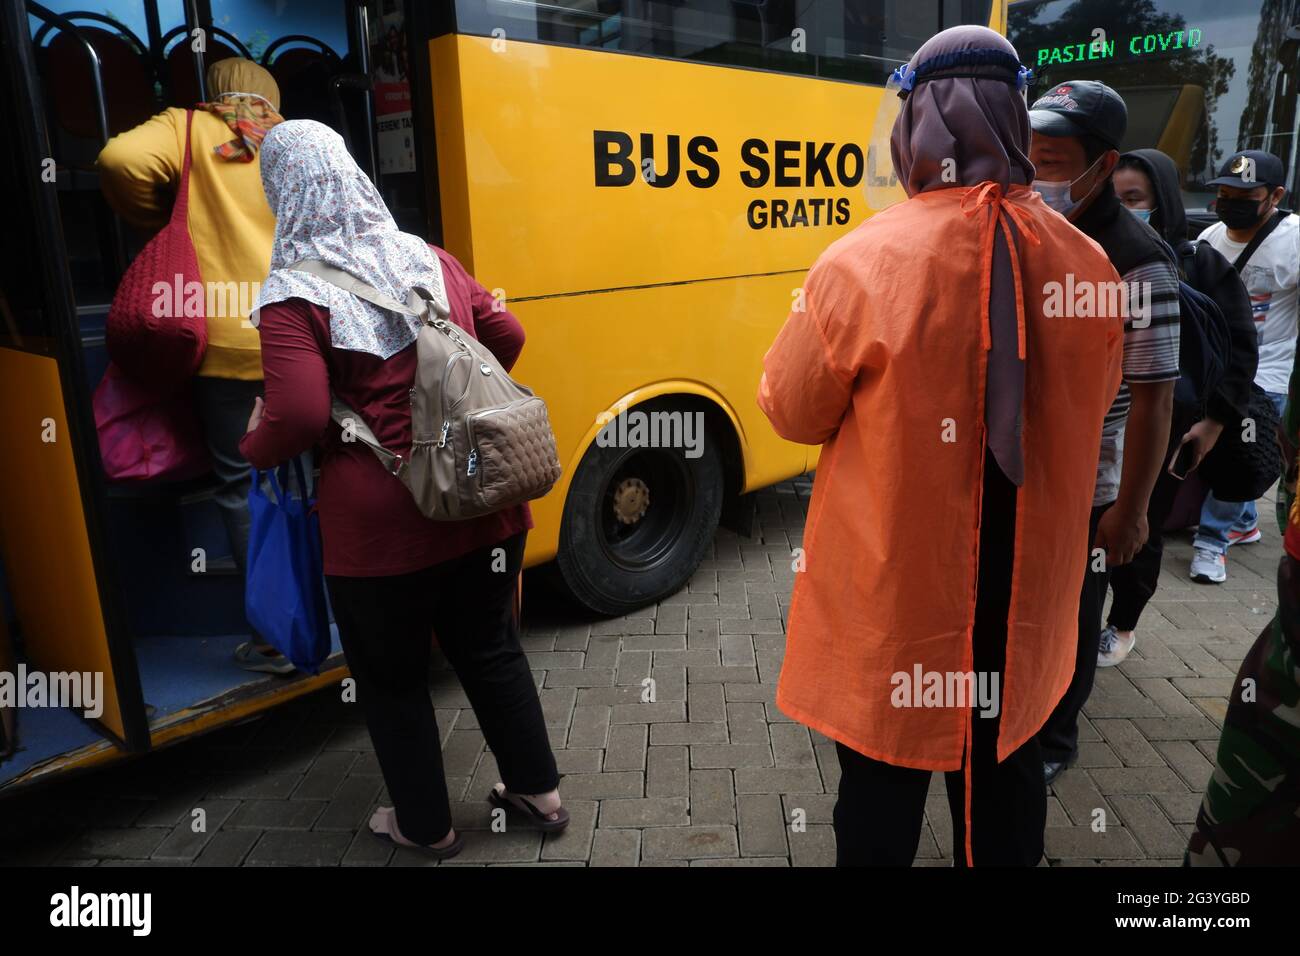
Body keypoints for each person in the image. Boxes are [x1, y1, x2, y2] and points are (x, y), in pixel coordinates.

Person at [757, 26, 1124, 867]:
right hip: (1028, 591)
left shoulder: (860, 262)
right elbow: (1099, 405)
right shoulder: (1089, 263)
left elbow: (788, 408)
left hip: (900, 597)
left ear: (914, 125)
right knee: (1007, 779)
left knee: (880, 791)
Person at [240, 119, 565, 859]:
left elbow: (298, 414)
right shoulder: (426, 256)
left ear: (282, 191)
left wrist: (250, 440)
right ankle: (539, 795)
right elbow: (505, 336)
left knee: (391, 680)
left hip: (382, 532)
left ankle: (425, 827)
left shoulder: (293, 295)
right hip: (483, 500)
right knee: (491, 649)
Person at [98, 58, 293, 674]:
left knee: (244, 489)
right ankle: (332, 609)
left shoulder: (187, 127)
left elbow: (118, 161)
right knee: (308, 479)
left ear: (214, 91)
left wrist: (160, 216)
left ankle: (273, 640)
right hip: (298, 334)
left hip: (226, 344)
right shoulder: (292, 137)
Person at [1027, 81, 1181, 785]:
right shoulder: (1028, 223)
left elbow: (1154, 400)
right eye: (1026, 155)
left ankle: (1055, 742)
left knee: (1073, 612)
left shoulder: (1138, 258)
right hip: (1025, 466)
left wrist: (1132, 510)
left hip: (1093, 479)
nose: (1034, 173)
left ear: (1103, 162)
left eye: (1052, 160)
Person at [1097, 149, 1257, 665]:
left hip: (1168, 425)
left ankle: (1121, 624)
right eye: (1114, 198)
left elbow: (1237, 346)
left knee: (1141, 523)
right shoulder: (1092, 254)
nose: (1123, 209)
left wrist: (1213, 421)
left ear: (1160, 201)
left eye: (1134, 199)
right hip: (1100, 424)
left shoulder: (1195, 262)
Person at [1189, 151, 1299, 584]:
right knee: (1237, 451)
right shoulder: (1212, 238)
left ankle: (1211, 543)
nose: (1229, 202)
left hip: (1269, 372)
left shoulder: (1293, 240)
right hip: (1220, 366)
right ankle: (1245, 520)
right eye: (1223, 193)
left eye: (1243, 195)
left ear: (1274, 196)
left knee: (1241, 451)